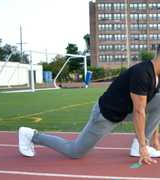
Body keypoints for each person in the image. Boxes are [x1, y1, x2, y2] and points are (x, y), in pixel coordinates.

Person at [18, 45, 160, 165]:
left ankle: (139, 145)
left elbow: (153, 104)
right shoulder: (143, 73)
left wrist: (154, 139)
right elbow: (139, 111)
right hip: (106, 115)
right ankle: (31, 135)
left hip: (125, 110)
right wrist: (143, 147)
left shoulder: (157, 76)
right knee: (74, 151)